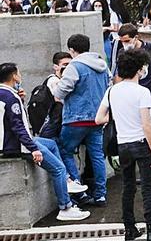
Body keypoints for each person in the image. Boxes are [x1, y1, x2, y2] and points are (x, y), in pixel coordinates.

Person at [0, 63, 90, 221]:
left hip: (11, 141)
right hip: (17, 144)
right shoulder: (10, 97)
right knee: (59, 169)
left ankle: (67, 181)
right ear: (14, 76)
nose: (20, 75)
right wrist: (33, 149)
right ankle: (65, 207)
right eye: (19, 73)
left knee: (52, 144)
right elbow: (18, 126)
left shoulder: (6, 94)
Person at [96, 49, 151, 241]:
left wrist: (117, 116)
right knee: (148, 188)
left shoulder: (112, 91)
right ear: (139, 69)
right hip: (141, 143)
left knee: (128, 187)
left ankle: (129, 228)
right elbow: (146, 125)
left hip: (122, 145)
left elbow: (99, 118)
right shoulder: (143, 92)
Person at [113, 24, 151, 185]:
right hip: (134, 96)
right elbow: (119, 75)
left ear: (136, 37)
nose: (124, 44)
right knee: (140, 134)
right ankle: (147, 167)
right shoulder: (122, 52)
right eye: (122, 41)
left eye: (127, 40)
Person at [53, 34, 110, 207]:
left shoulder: (74, 66)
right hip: (97, 118)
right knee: (97, 155)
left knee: (65, 150)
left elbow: (60, 92)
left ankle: (80, 191)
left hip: (75, 119)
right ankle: (100, 195)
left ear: (72, 50)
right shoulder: (102, 64)